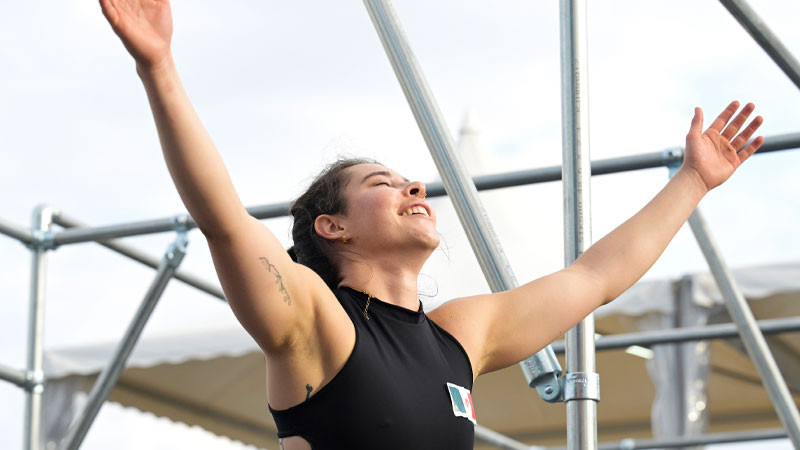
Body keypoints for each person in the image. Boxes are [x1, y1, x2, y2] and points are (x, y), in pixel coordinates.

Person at [99, 1, 764, 449]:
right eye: (382, 184)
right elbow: (222, 219)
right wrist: (158, 67)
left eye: (410, 180)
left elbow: (595, 277)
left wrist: (693, 181)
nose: (413, 187)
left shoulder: (458, 335)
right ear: (331, 227)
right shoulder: (315, 323)